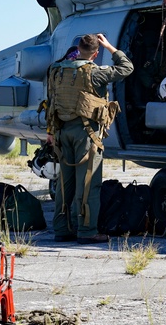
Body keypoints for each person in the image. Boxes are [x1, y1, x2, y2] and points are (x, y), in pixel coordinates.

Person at [45, 33, 133, 243]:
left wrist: (50, 131)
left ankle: (62, 229)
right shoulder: (95, 73)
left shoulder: (58, 70)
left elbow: (50, 99)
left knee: (65, 184)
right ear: (96, 53)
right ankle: (87, 231)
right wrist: (110, 47)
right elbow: (127, 67)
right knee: (88, 184)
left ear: (78, 48)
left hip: (62, 132)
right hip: (86, 135)